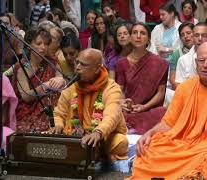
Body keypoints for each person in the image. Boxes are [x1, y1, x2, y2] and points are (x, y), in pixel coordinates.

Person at [127, 42, 207, 179]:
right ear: (195, 63)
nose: (205, 65)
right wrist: (149, 134)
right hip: (183, 143)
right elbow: (169, 123)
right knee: (151, 148)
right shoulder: (185, 88)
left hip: (203, 147)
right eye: (201, 60)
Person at [53, 48, 128, 162]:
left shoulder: (111, 88)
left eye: (83, 65)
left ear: (97, 68)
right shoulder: (73, 87)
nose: (77, 67)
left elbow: (112, 115)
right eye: (77, 62)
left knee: (121, 142)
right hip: (78, 135)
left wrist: (98, 132)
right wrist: (58, 125)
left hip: (104, 136)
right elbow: (59, 113)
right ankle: (93, 152)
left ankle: (96, 151)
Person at [116, 23, 169, 135]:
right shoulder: (121, 63)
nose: (138, 36)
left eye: (143, 33)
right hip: (130, 110)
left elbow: (161, 93)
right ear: (130, 37)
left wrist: (144, 107)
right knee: (114, 114)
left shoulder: (160, 63)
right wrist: (123, 102)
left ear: (148, 39)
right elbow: (119, 90)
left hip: (150, 110)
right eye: (135, 33)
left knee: (162, 112)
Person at [12, 27, 66, 132]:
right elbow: (26, 96)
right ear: (28, 45)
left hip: (52, 110)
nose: (43, 47)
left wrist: (61, 80)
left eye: (46, 44)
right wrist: (44, 87)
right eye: (39, 43)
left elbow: (61, 80)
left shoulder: (52, 62)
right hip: (27, 112)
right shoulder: (22, 67)